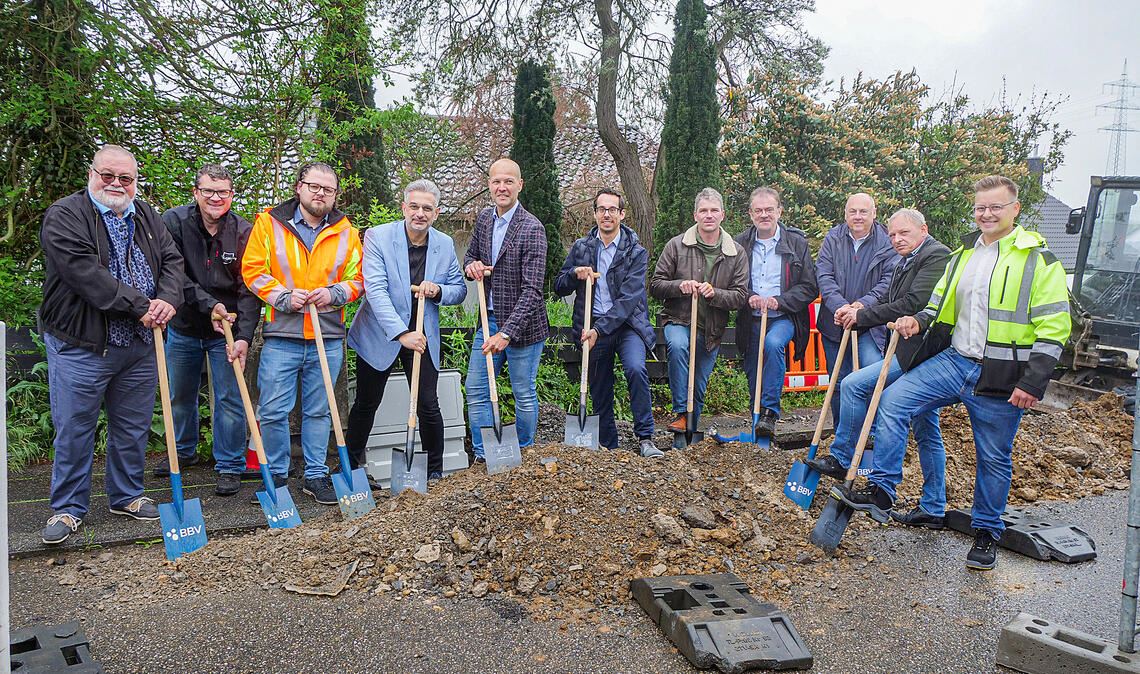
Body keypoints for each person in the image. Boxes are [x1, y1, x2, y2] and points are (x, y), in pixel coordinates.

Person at [835, 176, 1071, 571]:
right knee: (892, 401)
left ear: (1014, 210)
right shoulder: (964, 254)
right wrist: (917, 321)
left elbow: (1054, 326)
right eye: (981, 207)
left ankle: (986, 533)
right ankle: (883, 490)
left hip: (1002, 373)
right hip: (955, 360)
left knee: (993, 457)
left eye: (995, 207)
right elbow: (939, 304)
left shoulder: (1038, 260)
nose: (986, 213)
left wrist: (1033, 381)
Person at [39, 144, 186, 545]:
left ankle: (126, 496)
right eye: (108, 175)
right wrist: (141, 305)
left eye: (126, 178)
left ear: (135, 181)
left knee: (133, 426)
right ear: (92, 174)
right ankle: (68, 508)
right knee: (74, 427)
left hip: (140, 344)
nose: (116, 184)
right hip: (82, 343)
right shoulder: (66, 215)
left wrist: (167, 301)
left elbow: (173, 263)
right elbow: (84, 274)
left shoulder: (148, 216)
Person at [807, 208, 950, 527]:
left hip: (922, 354)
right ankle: (934, 507)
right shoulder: (906, 259)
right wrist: (858, 310)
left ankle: (850, 464)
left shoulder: (936, 256)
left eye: (904, 233)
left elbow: (912, 303)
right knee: (926, 429)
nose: (897, 239)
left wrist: (862, 317)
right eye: (893, 234)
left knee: (856, 386)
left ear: (923, 229)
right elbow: (887, 296)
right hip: (911, 351)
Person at [242, 162, 363, 504]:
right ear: (299, 187)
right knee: (274, 409)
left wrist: (334, 293)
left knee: (319, 410)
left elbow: (358, 279)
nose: (320, 193)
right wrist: (283, 297)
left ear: (335, 195)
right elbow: (252, 270)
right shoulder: (269, 223)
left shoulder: (345, 231)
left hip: (327, 334)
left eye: (328, 189)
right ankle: (276, 475)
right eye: (314, 186)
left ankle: (315, 474)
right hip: (283, 334)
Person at [345, 180, 467, 484]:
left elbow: (459, 290)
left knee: (427, 402)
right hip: (381, 333)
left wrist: (438, 290)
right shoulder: (378, 237)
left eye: (427, 208)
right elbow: (375, 290)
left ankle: (435, 472)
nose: (420, 213)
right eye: (414, 206)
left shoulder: (444, 244)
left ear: (436, 213)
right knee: (367, 402)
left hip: (422, 334)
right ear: (404, 208)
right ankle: (350, 468)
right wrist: (401, 334)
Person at [162, 164, 260, 497]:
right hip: (185, 325)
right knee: (179, 396)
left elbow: (250, 289)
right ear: (196, 193)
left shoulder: (246, 232)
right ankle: (183, 451)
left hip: (227, 331)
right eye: (208, 191)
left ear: (231, 195)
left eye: (223, 192)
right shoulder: (173, 223)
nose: (216, 198)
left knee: (230, 399)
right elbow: (174, 275)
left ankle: (230, 464)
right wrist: (208, 305)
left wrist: (244, 335)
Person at [554, 189, 661, 458]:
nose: (606, 214)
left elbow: (627, 301)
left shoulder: (635, 252)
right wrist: (574, 274)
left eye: (612, 209)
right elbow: (559, 286)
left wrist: (598, 330)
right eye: (601, 209)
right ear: (594, 214)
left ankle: (646, 437)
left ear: (622, 214)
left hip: (626, 326)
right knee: (599, 383)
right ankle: (608, 444)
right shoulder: (581, 248)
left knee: (636, 369)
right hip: (592, 324)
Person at [463, 159, 549, 462]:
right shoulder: (485, 219)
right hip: (487, 320)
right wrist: (470, 265)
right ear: (489, 184)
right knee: (475, 389)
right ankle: (485, 454)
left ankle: (524, 450)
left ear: (519, 185)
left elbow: (533, 291)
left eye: (509, 181)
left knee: (522, 391)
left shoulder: (532, 228)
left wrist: (506, 333)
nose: (502, 187)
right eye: (497, 181)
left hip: (523, 327)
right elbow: (471, 256)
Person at [649, 187, 749, 433]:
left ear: (722, 215)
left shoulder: (735, 253)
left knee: (699, 384)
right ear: (695, 215)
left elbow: (740, 296)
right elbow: (655, 285)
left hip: (711, 329)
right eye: (703, 210)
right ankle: (681, 413)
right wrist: (678, 286)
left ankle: (688, 435)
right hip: (678, 319)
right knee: (678, 346)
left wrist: (715, 293)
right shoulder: (676, 245)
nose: (709, 215)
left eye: (714, 210)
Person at [732, 187, 818, 436]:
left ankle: (770, 413)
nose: (764, 214)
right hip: (751, 318)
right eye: (758, 210)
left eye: (769, 209)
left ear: (779, 211)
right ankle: (757, 421)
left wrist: (780, 301)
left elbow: (809, 286)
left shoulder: (796, 243)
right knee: (752, 366)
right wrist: (750, 298)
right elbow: (732, 283)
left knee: (772, 344)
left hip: (784, 317)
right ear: (750, 214)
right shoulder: (740, 244)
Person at [815, 193, 899, 423]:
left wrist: (862, 306)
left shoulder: (886, 241)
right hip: (836, 322)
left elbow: (889, 280)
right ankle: (842, 437)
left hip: (870, 325)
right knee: (839, 382)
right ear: (845, 214)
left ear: (874, 213)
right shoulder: (833, 238)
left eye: (863, 211)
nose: (858, 216)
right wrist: (841, 306)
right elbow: (824, 274)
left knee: (872, 376)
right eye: (853, 211)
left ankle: (871, 434)